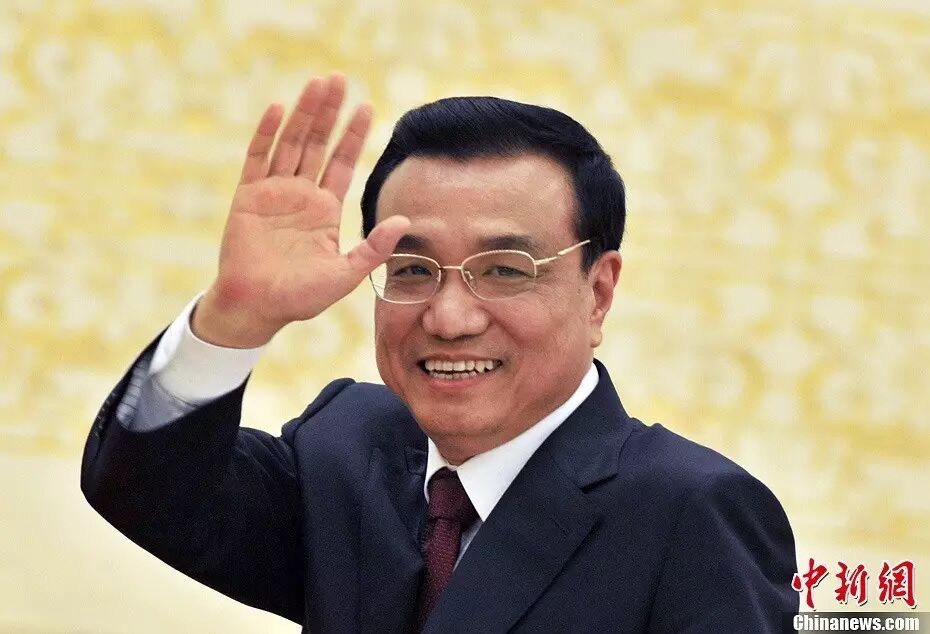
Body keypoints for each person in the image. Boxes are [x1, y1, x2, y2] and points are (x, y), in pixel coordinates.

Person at [81, 73, 799, 633]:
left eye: (505, 271)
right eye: (412, 270)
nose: (449, 319)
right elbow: (144, 492)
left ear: (598, 293)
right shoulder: (346, 447)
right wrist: (234, 320)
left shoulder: (689, 511)